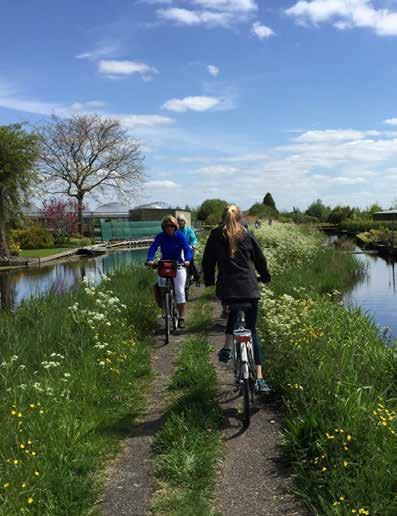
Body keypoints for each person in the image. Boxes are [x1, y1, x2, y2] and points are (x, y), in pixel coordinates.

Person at [202, 204, 271, 393]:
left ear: (223, 217)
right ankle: (259, 377)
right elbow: (260, 258)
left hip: (227, 288)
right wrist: (265, 276)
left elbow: (208, 260)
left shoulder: (216, 235)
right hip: (249, 287)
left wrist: (208, 279)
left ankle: (226, 347)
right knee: (252, 331)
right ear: (240, 217)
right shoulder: (246, 234)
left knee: (233, 307)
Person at [146, 215, 192, 329]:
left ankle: (181, 318)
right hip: (165, 264)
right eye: (166, 226)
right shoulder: (160, 237)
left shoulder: (180, 236)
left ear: (175, 226)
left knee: (179, 291)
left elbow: (187, 249)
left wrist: (187, 260)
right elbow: (153, 247)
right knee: (161, 286)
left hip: (178, 264)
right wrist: (150, 259)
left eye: (171, 226)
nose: (169, 228)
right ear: (163, 227)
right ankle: (164, 304)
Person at [177, 214, 200, 285]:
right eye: (179, 221)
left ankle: (191, 274)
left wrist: (193, 245)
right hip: (179, 249)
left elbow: (194, 239)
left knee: (190, 259)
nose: (180, 222)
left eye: (182, 221)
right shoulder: (176, 231)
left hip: (188, 248)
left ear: (184, 221)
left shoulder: (189, 229)